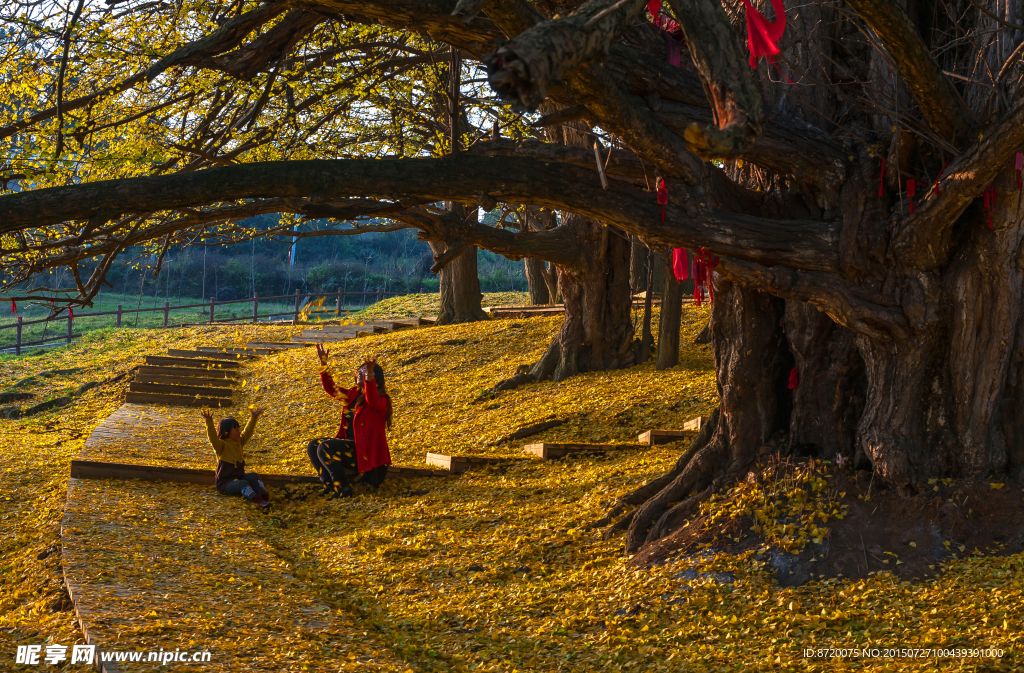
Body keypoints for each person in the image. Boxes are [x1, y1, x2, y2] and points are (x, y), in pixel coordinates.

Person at [307, 345, 392, 498]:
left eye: (364, 371)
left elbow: (371, 397)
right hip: (350, 447)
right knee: (314, 445)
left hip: (363, 453)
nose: (360, 373)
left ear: (374, 377)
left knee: (325, 447)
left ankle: (343, 488)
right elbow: (331, 389)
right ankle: (329, 485)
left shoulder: (380, 400)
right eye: (359, 371)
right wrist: (323, 364)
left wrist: (369, 375)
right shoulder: (352, 394)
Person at [202, 407, 270, 510]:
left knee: (253, 476)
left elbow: (248, 432)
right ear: (226, 433)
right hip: (225, 484)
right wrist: (209, 421)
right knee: (242, 484)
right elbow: (212, 438)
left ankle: (264, 497)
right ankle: (256, 500)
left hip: (238, 477)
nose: (239, 432)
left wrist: (254, 417)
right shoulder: (221, 446)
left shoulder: (239, 443)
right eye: (236, 430)